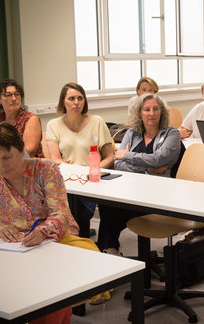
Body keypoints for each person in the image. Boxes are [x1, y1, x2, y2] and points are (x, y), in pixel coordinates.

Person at [0, 122, 109, 323]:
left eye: (7, 157)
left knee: (47, 297)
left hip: (52, 245)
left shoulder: (45, 170)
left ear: (21, 149)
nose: (2, 166)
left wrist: (43, 231)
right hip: (13, 251)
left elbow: (61, 214)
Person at [97, 94, 181, 254]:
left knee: (112, 211)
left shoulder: (172, 133)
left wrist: (127, 156)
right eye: (147, 109)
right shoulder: (132, 133)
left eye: (156, 109)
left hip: (159, 194)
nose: (152, 113)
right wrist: (148, 169)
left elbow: (158, 159)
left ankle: (108, 249)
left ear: (162, 112)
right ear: (139, 113)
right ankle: (109, 248)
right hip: (132, 191)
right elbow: (118, 164)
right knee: (106, 203)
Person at [46, 83, 114, 238]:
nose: (76, 102)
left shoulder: (97, 121)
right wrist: (78, 173)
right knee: (67, 209)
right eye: (71, 98)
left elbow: (110, 157)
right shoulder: (53, 125)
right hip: (68, 181)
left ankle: (82, 243)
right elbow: (55, 159)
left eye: (80, 98)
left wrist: (92, 172)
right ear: (63, 101)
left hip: (92, 181)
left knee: (80, 212)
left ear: (84, 101)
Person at [0, 78, 44, 158]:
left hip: (30, 165)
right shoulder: (1, 118)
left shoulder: (30, 119)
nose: (14, 99)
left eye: (16, 94)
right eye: (8, 95)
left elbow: (29, 152)